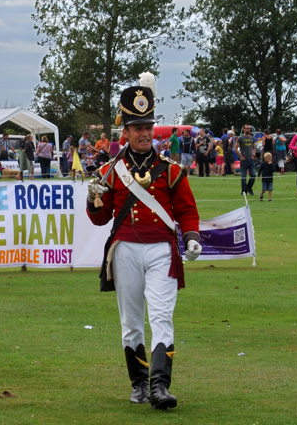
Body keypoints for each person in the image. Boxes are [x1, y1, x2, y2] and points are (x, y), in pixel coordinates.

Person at [86, 84, 200, 410]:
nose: (145, 133)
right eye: (138, 128)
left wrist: (191, 235)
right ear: (126, 132)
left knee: (162, 317)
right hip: (125, 252)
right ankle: (139, 384)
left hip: (161, 249)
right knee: (132, 322)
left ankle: (160, 386)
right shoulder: (109, 172)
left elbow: (187, 210)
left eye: (148, 127)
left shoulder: (171, 169)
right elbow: (99, 217)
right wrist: (92, 199)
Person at [234, 124, 257, 196]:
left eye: (249, 128)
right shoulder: (240, 138)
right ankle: (244, 191)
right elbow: (235, 149)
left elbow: (254, 148)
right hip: (244, 160)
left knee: (253, 174)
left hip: (250, 159)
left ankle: (249, 188)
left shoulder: (252, 138)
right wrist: (241, 156)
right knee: (243, 177)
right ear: (243, 129)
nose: (248, 129)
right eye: (246, 128)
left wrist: (253, 155)